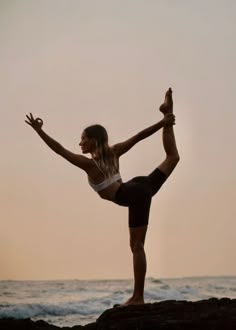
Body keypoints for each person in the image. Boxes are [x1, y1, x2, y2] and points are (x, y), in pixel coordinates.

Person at [25, 88, 179, 306]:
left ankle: (138, 298)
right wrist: (163, 122)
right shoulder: (114, 151)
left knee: (137, 247)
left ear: (93, 141)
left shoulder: (90, 164)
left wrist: (39, 131)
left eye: (83, 139)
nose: (79, 143)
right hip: (139, 185)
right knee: (172, 157)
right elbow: (139, 136)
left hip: (132, 194)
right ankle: (168, 112)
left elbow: (59, 149)